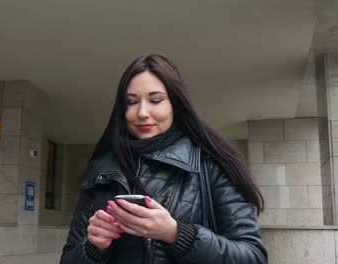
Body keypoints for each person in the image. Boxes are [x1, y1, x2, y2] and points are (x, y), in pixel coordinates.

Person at [60, 54, 268, 264]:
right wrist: (94, 247)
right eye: (131, 102)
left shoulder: (211, 163)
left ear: (175, 104)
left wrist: (176, 234)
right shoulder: (100, 171)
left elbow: (253, 257)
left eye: (155, 100)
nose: (142, 112)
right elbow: (69, 258)